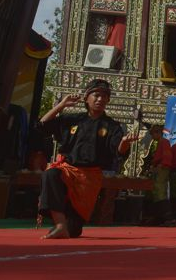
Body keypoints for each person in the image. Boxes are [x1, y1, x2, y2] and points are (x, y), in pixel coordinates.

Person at [37, 78, 139, 238]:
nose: (100, 99)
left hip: (89, 177)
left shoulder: (111, 126)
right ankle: (60, 224)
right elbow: (43, 125)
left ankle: (66, 225)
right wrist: (61, 105)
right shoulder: (72, 119)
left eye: (104, 97)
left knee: (74, 231)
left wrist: (124, 143)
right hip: (67, 171)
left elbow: (119, 151)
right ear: (86, 98)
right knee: (50, 174)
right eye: (96, 95)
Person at [141, 124, 173, 225]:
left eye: (152, 134)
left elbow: (167, 158)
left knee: (160, 193)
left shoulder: (164, 142)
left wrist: (160, 167)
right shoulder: (160, 143)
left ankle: (168, 218)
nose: (152, 136)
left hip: (162, 169)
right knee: (155, 193)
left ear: (158, 133)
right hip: (158, 168)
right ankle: (158, 217)